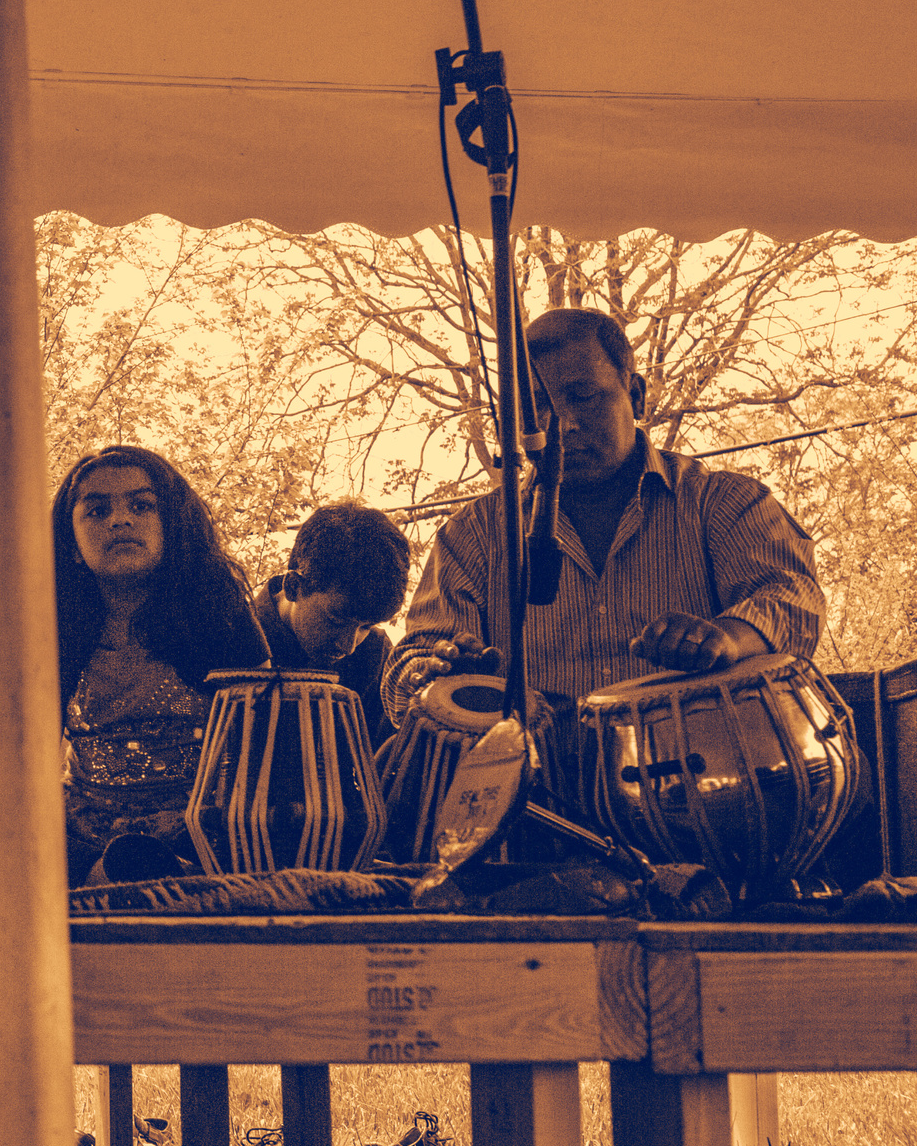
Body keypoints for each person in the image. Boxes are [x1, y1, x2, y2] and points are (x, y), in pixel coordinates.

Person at [383, 307, 824, 796]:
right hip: (537, 807)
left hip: (701, 793)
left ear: (634, 395)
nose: (562, 424)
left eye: (584, 396)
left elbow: (793, 599)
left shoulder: (725, 503)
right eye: (537, 409)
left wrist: (727, 637)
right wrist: (433, 672)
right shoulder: (473, 536)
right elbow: (410, 668)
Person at [0, 446, 270, 886]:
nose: (120, 520)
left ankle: (91, 875)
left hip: (193, 827)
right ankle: (102, 874)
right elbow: (27, 763)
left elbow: (266, 743)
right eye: (97, 510)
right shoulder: (51, 625)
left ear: (172, 525)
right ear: (71, 543)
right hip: (81, 825)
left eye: (141, 506)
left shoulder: (220, 611)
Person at [251, 501, 412, 747]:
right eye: (337, 619)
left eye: (365, 627)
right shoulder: (237, 640)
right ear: (294, 587)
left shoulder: (375, 654)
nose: (349, 646)